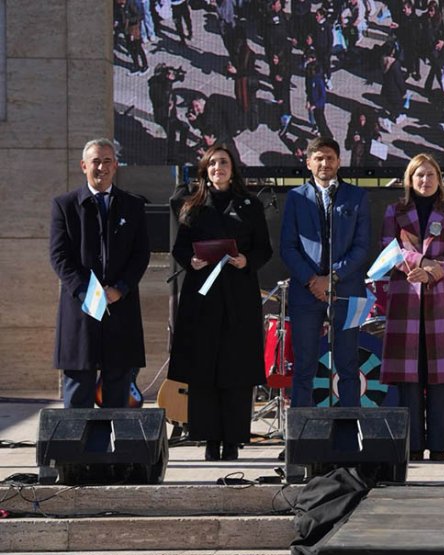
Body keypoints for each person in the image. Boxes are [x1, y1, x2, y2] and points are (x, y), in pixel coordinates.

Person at [168, 145, 273, 461]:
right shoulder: (192, 205)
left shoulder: (249, 205)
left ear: (233, 168)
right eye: (212, 163)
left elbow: (264, 249)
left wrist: (246, 261)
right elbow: (179, 249)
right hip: (202, 298)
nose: (218, 168)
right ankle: (209, 439)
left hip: (238, 298)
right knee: (204, 370)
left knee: (236, 370)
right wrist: (191, 261)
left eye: (224, 162)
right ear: (205, 170)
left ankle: (233, 440)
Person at [380, 154, 444, 462]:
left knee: (441, 375)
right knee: (410, 375)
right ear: (410, 179)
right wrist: (420, 264)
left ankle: (441, 443)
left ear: (439, 179)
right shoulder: (395, 210)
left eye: (430, 175)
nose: (425, 180)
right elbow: (391, 248)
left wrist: (434, 271)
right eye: (419, 175)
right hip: (407, 296)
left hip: (443, 296)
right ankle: (413, 444)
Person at [50, 138, 150, 409]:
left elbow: (141, 254)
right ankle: (76, 452)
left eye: (107, 161)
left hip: (121, 308)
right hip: (81, 310)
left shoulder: (133, 206)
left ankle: (108, 450)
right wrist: (86, 292)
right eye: (95, 161)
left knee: (117, 392)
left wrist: (121, 288)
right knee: (79, 389)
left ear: (116, 166)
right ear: (84, 166)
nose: (101, 167)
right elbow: (59, 257)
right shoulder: (65, 205)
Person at [281, 137, 371, 408]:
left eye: (330, 158)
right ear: (308, 163)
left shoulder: (357, 196)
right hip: (306, 293)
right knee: (304, 364)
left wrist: (331, 277)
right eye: (318, 158)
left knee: (347, 363)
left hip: (346, 290)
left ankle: (350, 437)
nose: (325, 163)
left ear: (339, 162)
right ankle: (301, 440)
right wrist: (313, 280)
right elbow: (288, 247)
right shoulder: (296, 198)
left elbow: (361, 246)